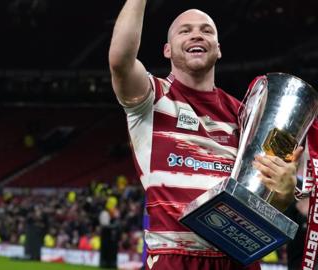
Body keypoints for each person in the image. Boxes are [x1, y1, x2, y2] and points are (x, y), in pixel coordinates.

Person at [108, 2, 303, 269]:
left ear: (219, 49)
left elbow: (265, 204)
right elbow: (120, 61)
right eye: (184, 31)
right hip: (175, 258)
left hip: (239, 258)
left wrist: (284, 191)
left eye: (206, 31)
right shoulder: (152, 98)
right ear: (167, 50)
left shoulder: (245, 114)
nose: (197, 35)